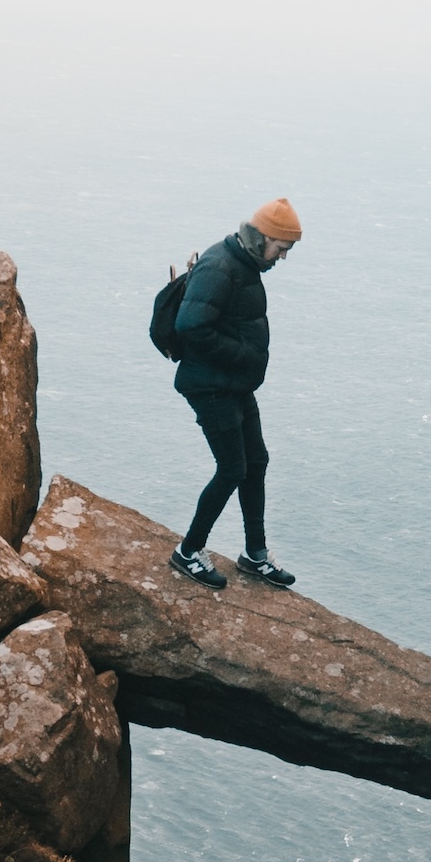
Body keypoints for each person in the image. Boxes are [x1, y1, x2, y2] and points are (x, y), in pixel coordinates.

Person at [167, 198, 301, 590]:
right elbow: (191, 325)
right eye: (281, 248)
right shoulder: (220, 267)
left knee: (256, 461)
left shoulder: (243, 264)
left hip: (233, 383)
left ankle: (254, 555)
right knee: (232, 469)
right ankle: (188, 551)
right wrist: (243, 356)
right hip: (210, 386)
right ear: (262, 239)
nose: (282, 257)